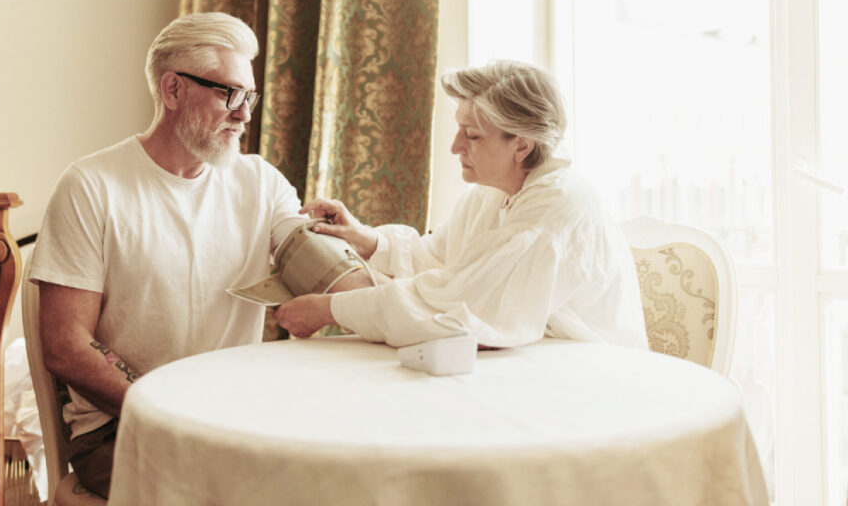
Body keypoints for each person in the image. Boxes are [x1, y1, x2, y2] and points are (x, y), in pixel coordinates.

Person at [26, 12, 309, 499]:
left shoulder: (261, 183)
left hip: (235, 419)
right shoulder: (91, 186)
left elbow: (315, 260)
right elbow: (65, 344)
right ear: (173, 90)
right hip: (122, 427)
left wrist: (368, 251)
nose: (244, 113)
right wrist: (170, 408)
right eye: (229, 94)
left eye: (249, 96)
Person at [274, 60, 648, 351]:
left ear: (521, 145)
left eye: (472, 136)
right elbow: (439, 261)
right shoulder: (492, 192)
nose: (455, 147)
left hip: (584, 372)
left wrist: (329, 309)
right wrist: (365, 240)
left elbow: (460, 310)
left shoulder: (559, 205)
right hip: (530, 360)